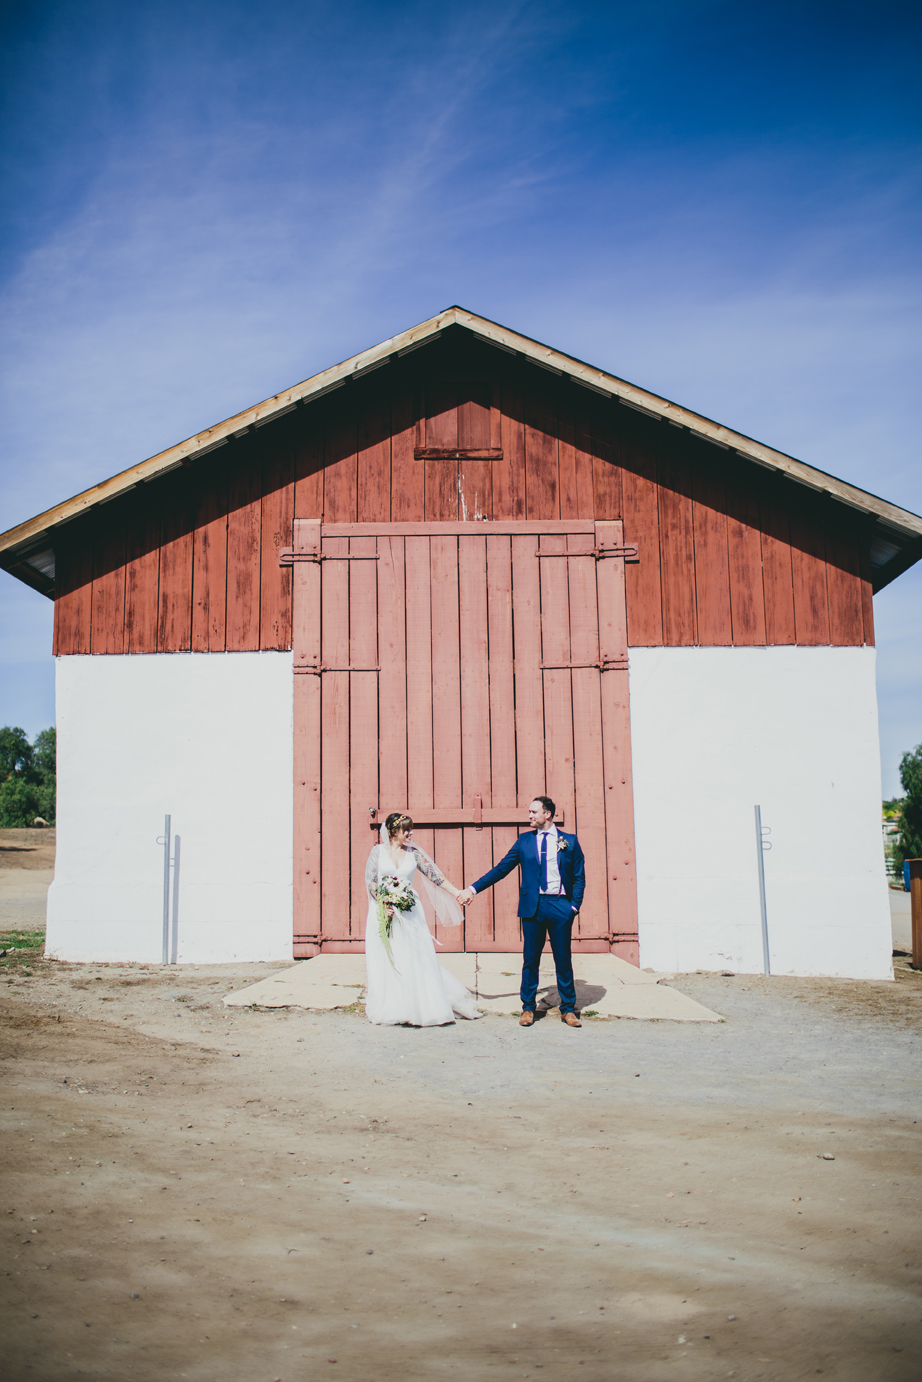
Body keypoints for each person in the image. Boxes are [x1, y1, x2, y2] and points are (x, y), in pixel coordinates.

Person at [458, 796, 585, 1027]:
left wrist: (573, 906)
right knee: (530, 959)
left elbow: (579, 876)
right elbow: (501, 869)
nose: (529, 816)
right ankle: (528, 1007)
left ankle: (568, 1009)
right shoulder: (524, 841)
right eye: (529, 812)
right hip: (533, 907)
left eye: (534, 812)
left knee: (563, 959)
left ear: (547, 814)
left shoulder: (569, 841)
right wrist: (472, 889)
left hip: (560, 905)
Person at [364, 812, 482, 1026]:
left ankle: (419, 1005)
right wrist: (383, 904)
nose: (411, 833)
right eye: (406, 829)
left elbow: (435, 876)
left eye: (411, 829)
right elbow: (371, 881)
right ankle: (393, 1006)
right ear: (394, 831)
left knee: (414, 956)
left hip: (409, 912)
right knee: (386, 957)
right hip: (383, 911)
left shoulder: (414, 854)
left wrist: (457, 893)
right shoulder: (378, 852)